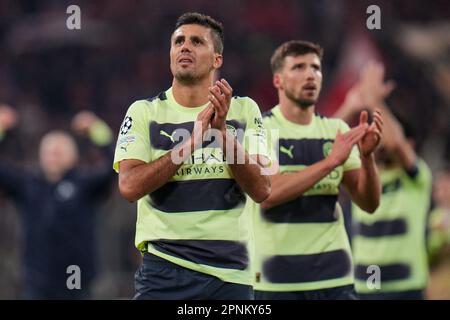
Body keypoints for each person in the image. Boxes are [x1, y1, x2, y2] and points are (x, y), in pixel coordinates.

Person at [113, 12, 270, 300]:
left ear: (217, 59)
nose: (185, 47)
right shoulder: (144, 112)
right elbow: (129, 186)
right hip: (163, 272)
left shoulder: (246, 110)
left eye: (197, 41)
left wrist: (221, 133)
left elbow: (261, 189)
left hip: (230, 275)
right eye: (179, 41)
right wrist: (192, 143)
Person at [252, 40, 383, 300]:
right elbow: (267, 194)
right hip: (276, 282)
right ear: (278, 80)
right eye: (298, 67)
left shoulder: (337, 131)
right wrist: (330, 162)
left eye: (316, 68)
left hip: (334, 277)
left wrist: (367, 158)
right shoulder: (260, 129)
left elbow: (369, 203)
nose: (310, 74)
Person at [337, 61, 432, 300]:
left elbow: (394, 143)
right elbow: (322, 148)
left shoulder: (417, 177)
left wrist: (374, 101)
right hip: (365, 289)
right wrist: (350, 106)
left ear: (411, 144)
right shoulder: (361, 171)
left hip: (406, 289)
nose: (379, 139)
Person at [0, 104, 115, 299]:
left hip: (75, 280)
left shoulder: (84, 184)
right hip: (36, 283)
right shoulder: (28, 184)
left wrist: (97, 129)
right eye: (49, 150)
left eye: (60, 150)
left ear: (74, 156)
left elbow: (116, 166)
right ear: (40, 155)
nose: (54, 154)